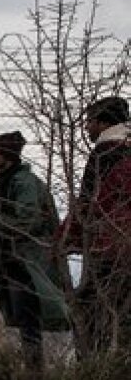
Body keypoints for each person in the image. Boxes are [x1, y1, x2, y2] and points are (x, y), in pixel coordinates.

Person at [0, 132, 64, 369]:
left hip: (21, 261)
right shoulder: (10, 179)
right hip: (5, 258)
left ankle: (33, 373)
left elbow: (29, 221)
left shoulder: (22, 182)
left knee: (28, 320)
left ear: (6, 153)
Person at [60, 96, 131, 357]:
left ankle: (92, 371)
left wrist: (65, 239)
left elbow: (90, 202)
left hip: (109, 246)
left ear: (103, 123)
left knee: (91, 312)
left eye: (89, 122)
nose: (87, 128)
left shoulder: (105, 152)